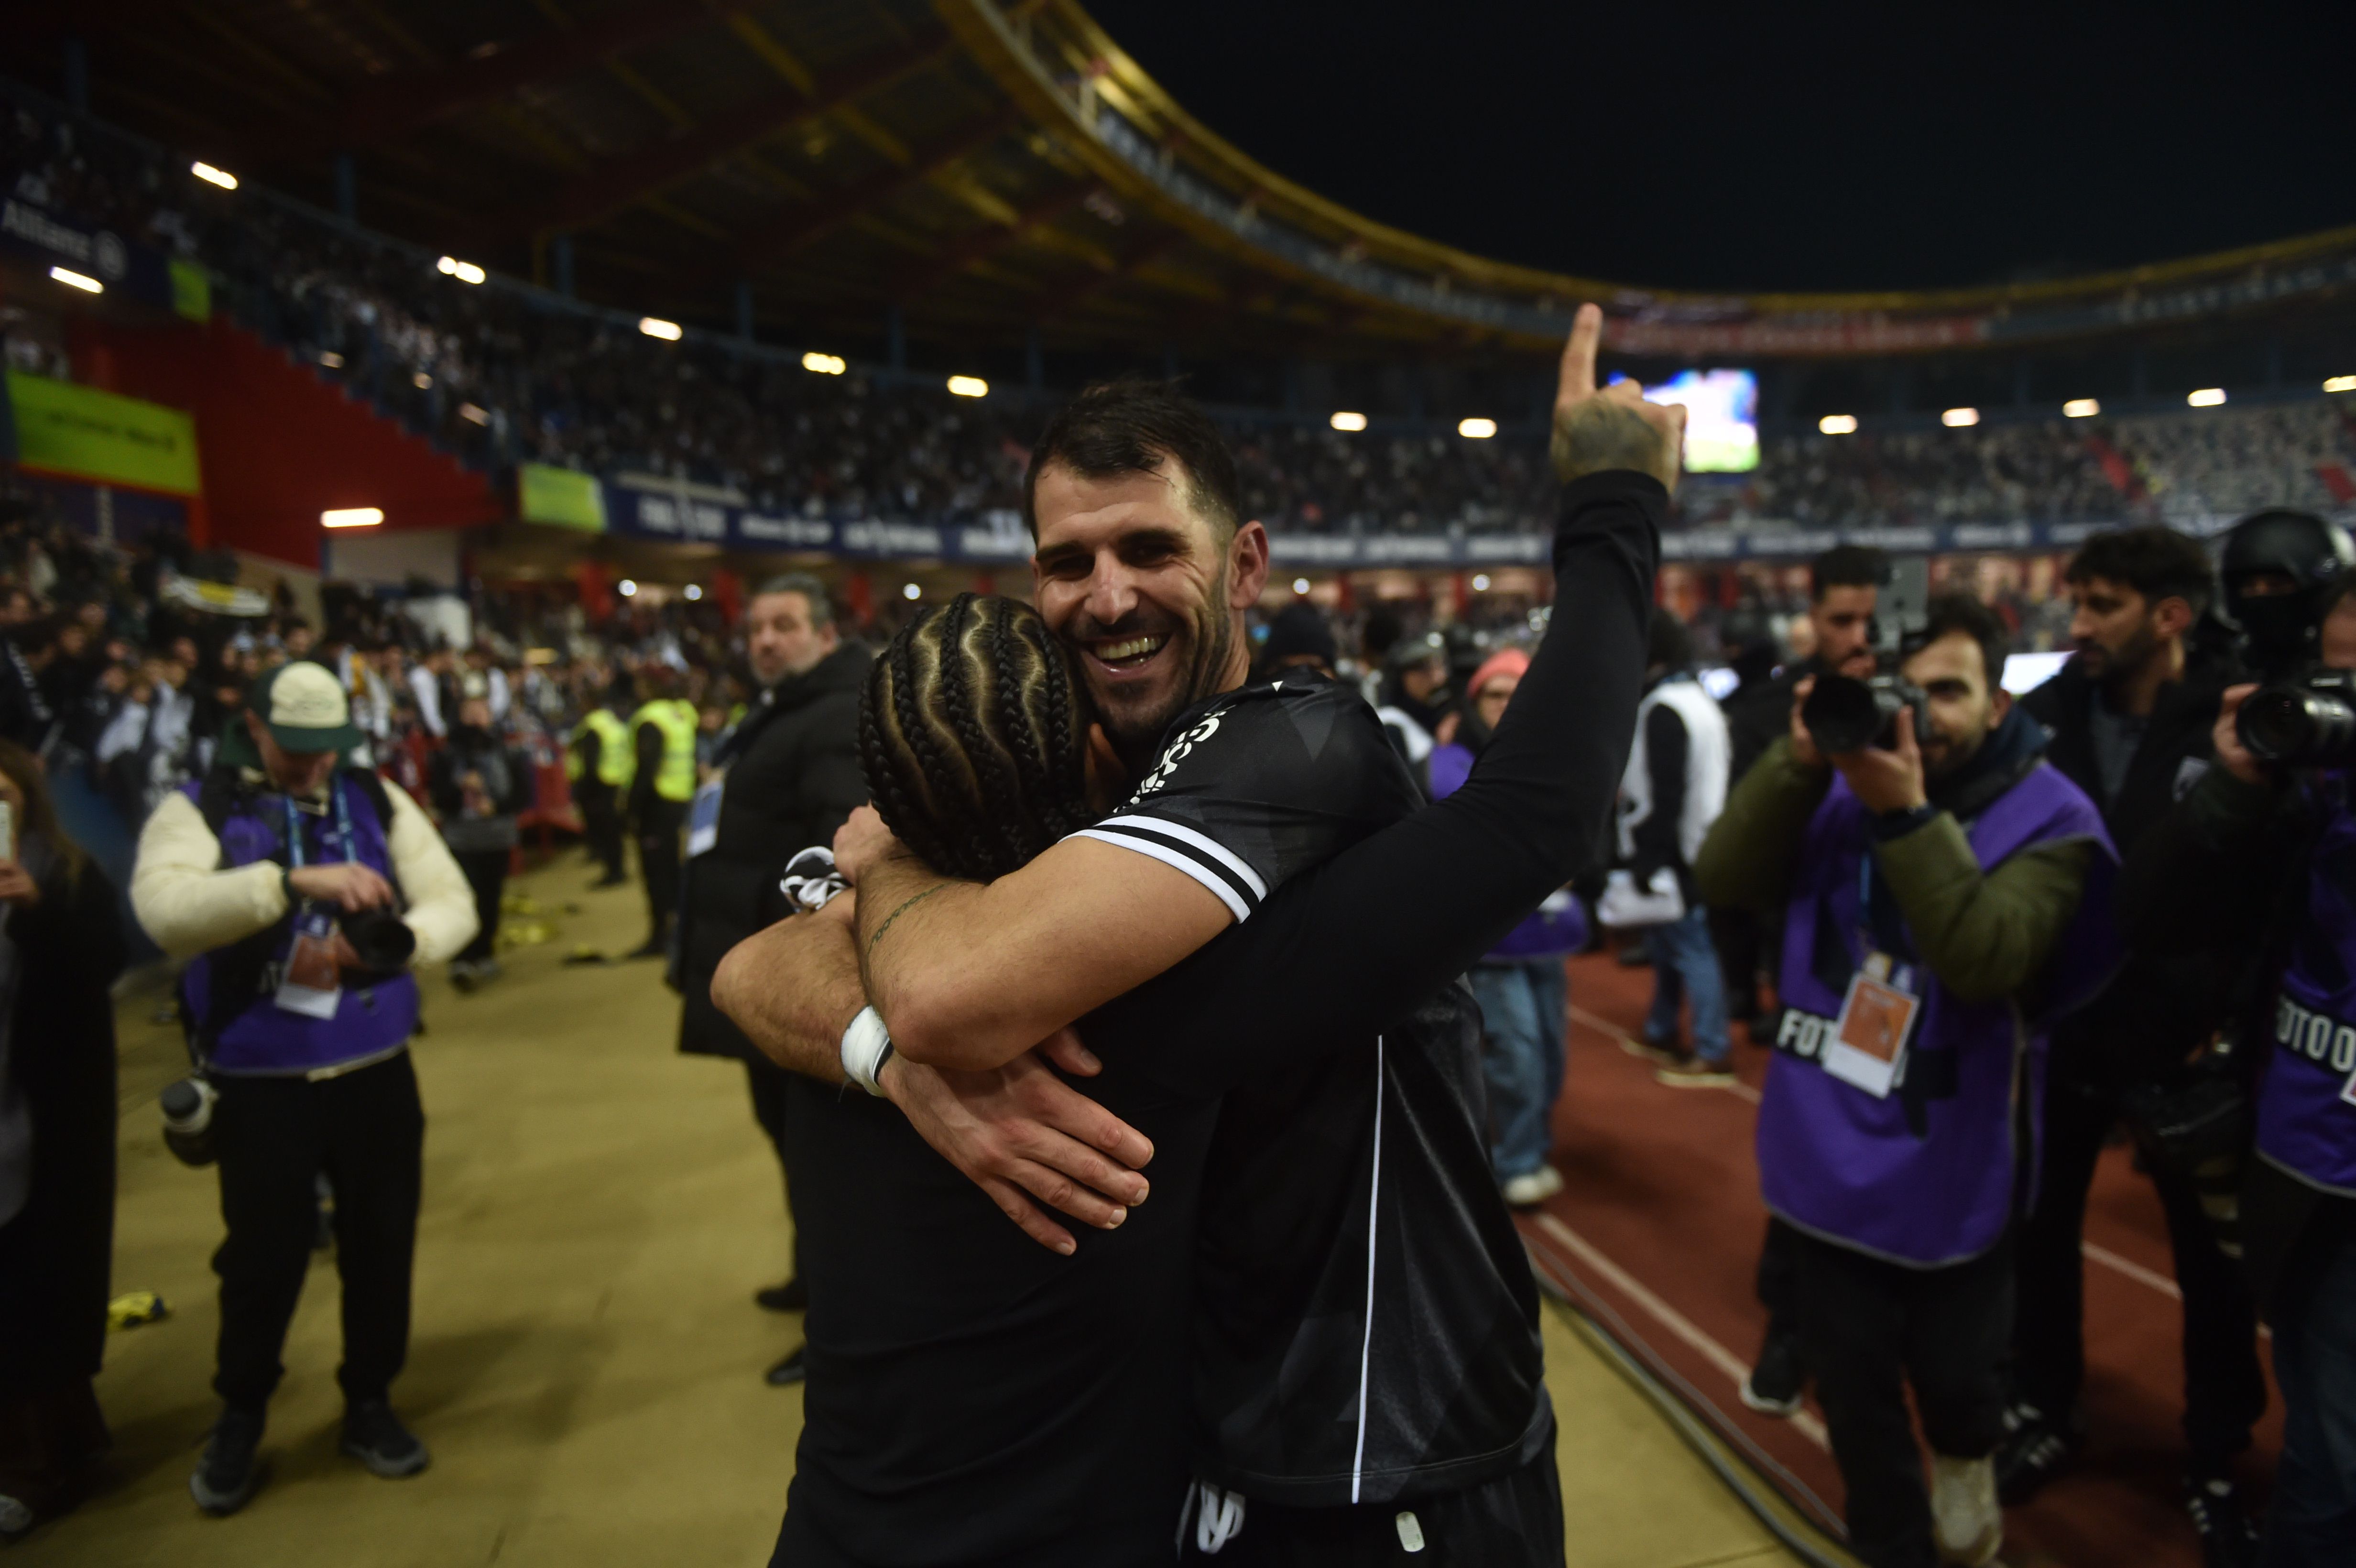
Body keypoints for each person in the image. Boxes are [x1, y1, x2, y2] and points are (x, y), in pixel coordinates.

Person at [713, 312, 1668, 1566]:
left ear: (1248, 565)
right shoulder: (1065, 810)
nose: (1107, 596)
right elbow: (750, 965)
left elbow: (1534, 817)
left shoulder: (1294, 741)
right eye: (1068, 562)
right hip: (1211, 1461)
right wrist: (882, 1049)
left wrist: (1612, 505)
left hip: (1393, 1460)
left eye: (1151, 549)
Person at [1694, 594, 2116, 1568]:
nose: (1923, 713)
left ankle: (1968, 1454)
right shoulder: (1834, 777)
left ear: (1999, 704)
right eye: (1905, 688)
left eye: (1948, 691)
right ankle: (1890, 1541)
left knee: (1958, 1376)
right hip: (1822, 1145)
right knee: (1851, 1383)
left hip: (1960, 1156)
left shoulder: (2054, 815)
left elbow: (1983, 957)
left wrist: (1904, 809)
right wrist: (1799, 761)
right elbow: (1721, 878)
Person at [128, 660, 477, 1516]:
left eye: (326, 749)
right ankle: (241, 1410)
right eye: (295, 749)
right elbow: (164, 911)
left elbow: (452, 902)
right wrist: (284, 884)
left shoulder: (376, 795)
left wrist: (398, 944)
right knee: (261, 1257)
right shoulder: (197, 806)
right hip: (259, 1079)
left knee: (381, 1240)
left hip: (374, 1069)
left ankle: (369, 1399)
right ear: (254, 729)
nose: (313, 765)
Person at [2002, 526, 2266, 1559]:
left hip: (2183, 1043)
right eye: (2075, 601)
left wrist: (2226, 1023)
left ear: (2170, 615)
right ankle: (2044, 1406)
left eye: (2101, 603)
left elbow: (2263, 890)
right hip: (2063, 1030)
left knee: (2212, 1271)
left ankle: (2214, 1455)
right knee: (2038, 1234)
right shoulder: (2048, 712)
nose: (2076, 625)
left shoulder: (2239, 718)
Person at [2117, 510, 2356, 1568]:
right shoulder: (2294, 758)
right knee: (2330, 1447)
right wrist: (2234, 791)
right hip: (2307, 1152)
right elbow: (2152, 911)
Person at [673, 575, 867, 1388]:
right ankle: (809, 1279)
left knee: (825, 1164)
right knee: (787, 1145)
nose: (764, 640)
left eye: (784, 625)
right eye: (756, 628)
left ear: (825, 636)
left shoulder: (832, 713)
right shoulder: (780, 708)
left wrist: (761, 912)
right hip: (760, 971)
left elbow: (837, 858)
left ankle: (840, 1322)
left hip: (797, 980)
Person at [0, 742, 127, 1538]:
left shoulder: (67, 875)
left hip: (49, 1123)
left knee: (37, 1288)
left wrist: (38, 911)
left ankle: (37, 1466)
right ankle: (65, 1447)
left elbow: (101, 968)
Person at [1430, 645, 1589, 1205]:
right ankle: (1513, 1162)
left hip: (1546, 936)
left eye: (1515, 695)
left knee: (1548, 1053)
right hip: (1494, 938)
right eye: (1494, 695)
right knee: (1515, 1055)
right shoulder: (1452, 760)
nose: (1504, 705)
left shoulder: (1551, 751)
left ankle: (1526, 1149)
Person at [1619, 608, 1734, 1086]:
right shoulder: (1698, 699)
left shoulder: (1664, 707)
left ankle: (1712, 1048)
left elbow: (1666, 791)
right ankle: (1661, 1026)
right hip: (1703, 837)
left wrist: (1651, 856)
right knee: (1669, 942)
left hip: (1679, 845)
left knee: (1691, 947)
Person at [427, 685, 533, 993]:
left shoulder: (507, 752)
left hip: (496, 837)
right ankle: (463, 957)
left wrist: (495, 806)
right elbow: (439, 798)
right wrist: (460, 790)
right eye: (469, 712)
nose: (475, 718)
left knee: (490, 898)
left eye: (481, 711)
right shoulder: (446, 757)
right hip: (461, 839)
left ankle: (485, 952)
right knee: (462, 898)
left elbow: (522, 796)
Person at [626, 667, 697, 959]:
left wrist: (631, 811)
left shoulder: (650, 720)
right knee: (673, 872)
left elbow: (646, 768)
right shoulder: (679, 714)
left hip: (657, 806)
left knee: (657, 875)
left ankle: (660, 938)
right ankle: (678, 933)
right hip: (680, 799)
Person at [567, 675, 632, 888]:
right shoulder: (613, 723)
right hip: (617, 783)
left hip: (599, 787)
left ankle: (614, 873)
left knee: (607, 833)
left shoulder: (592, 727)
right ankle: (617, 869)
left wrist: (581, 792)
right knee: (613, 833)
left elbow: (590, 764)